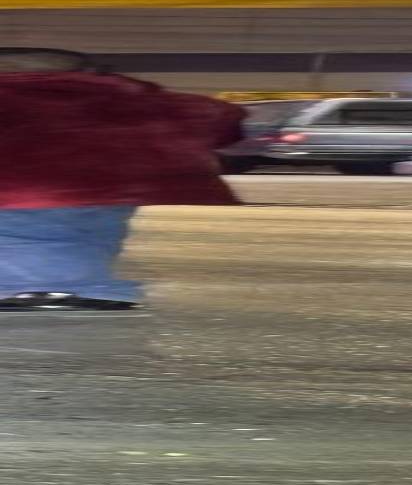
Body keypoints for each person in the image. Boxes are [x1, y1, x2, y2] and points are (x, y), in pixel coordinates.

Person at [0, 47, 245, 312]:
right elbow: (223, 120)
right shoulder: (129, 98)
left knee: (14, 232)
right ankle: (76, 286)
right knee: (89, 232)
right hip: (104, 186)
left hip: (13, 185)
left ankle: (22, 287)